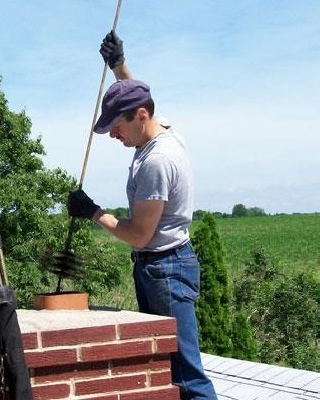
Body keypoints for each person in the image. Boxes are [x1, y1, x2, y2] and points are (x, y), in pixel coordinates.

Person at [67, 31, 218, 400]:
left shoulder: (157, 160)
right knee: (167, 367)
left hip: (165, 270)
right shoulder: (159, 130)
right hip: (162, 267)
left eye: (117, 127)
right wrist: (119, 65)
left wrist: (92, 212)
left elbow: (139, 235)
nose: (113, 135)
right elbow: (136, 94)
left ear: (140, 117)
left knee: (185, 375)